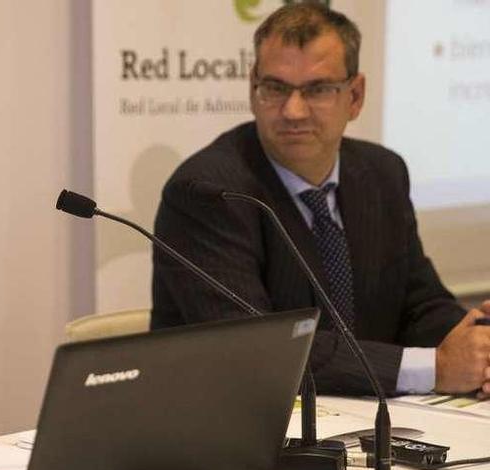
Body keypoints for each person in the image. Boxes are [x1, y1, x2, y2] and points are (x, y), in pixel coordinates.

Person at [151, 3, 490, 397]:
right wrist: (435, 368)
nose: (293, 111)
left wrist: (477, 342)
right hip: (232, 434)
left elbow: (419, 304)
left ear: (356, 95)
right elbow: (262, 351)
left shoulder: (381, 173)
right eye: (275, 88)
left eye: (317, 89)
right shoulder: (206, 193)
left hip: (364, 424)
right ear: (252, 88)